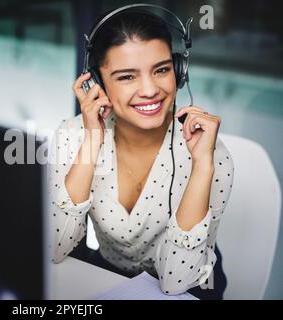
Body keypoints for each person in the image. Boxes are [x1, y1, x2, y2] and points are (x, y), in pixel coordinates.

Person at [47, 9, 234, 299]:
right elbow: (53, 249)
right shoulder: (72, 137)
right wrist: (92, 141)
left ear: (179, 70)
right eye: (126, 77)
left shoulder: (211, 154)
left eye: (161, 70)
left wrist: (202, 169)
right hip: (109, 277)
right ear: (97, 83)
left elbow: (176, 282)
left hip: (191, 282)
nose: (150, 90)